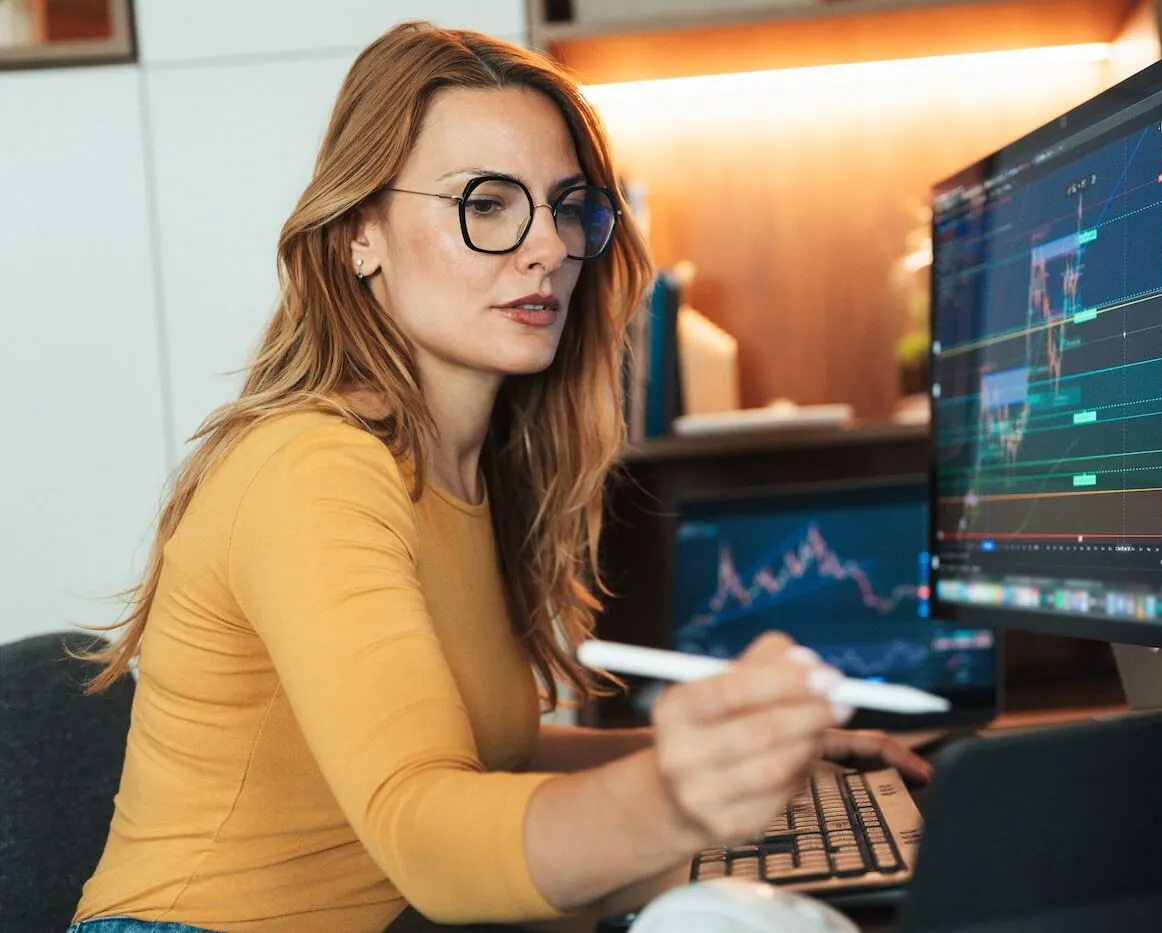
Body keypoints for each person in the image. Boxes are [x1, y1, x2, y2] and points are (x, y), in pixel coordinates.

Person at [70, 22, 930, 933]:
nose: (547, 248)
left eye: (566, 206)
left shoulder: (470, 468)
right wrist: (670, 797)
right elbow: (429, 831)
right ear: (362, 233)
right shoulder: (311, 469)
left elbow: (484, 760)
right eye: (486, 203)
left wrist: (759, 757)